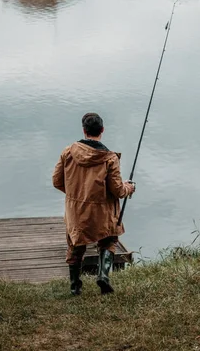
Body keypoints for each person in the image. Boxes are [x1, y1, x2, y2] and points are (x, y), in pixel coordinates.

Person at [52, 112, 135, 296]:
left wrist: (77, 194)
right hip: (102, 211)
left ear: (84, 130)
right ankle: (103, 277)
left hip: (76, 211)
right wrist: (129, 188)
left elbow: (57, 181)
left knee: (76, 245)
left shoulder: (68, 152)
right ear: (102, 130)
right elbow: (117, 191)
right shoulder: (109, 158)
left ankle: (75, 287)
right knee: (109, 240)